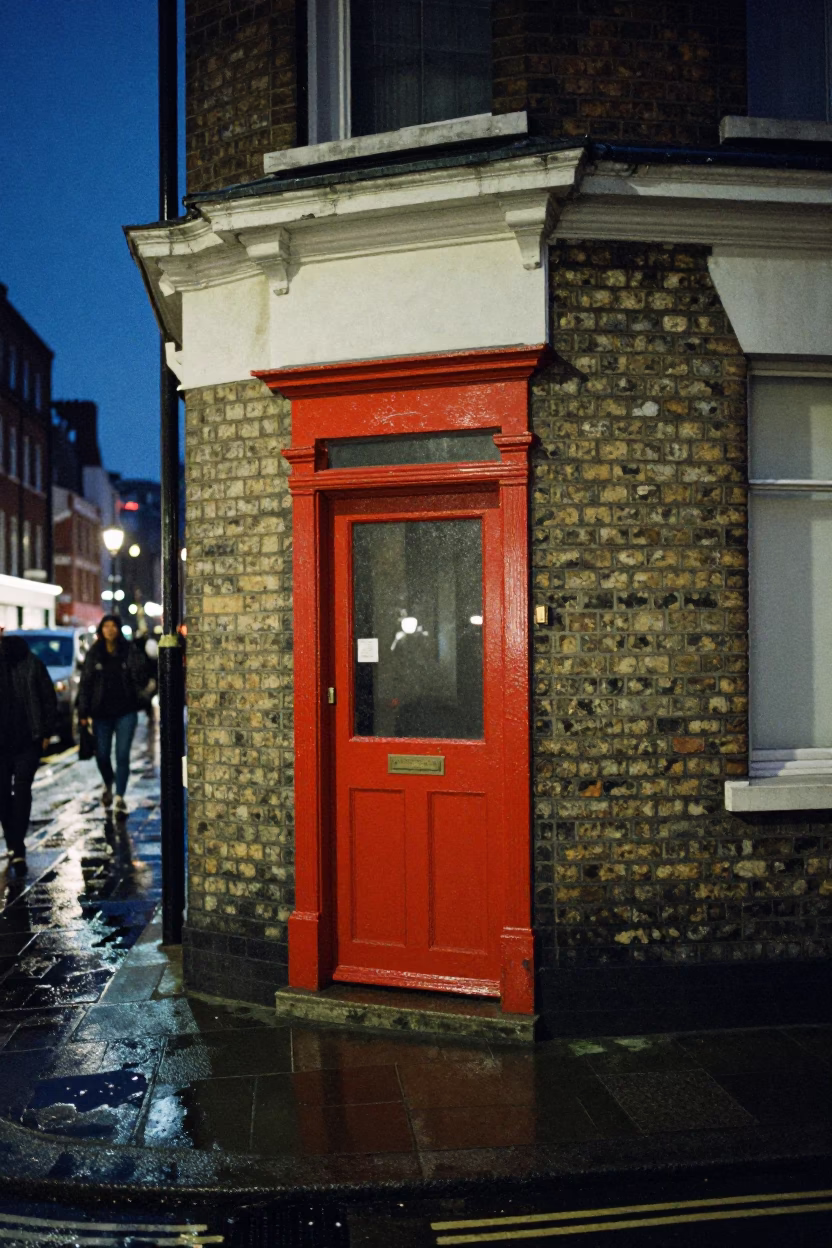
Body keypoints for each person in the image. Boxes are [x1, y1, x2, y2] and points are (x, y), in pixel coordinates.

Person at [0, 632, 57, 874]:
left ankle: (18, 847)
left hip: (27, 740)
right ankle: (15, 845)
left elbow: (48, 698)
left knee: (22, 789)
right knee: (3, 794)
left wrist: (45, 732)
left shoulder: (32, 664)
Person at [78, 615, 146, 817]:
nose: (110, 630)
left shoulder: (128, 651)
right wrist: (83, 711)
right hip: (101, 713)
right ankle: (109, 782)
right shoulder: (94, 653)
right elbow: (85, 683)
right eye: (106, 626)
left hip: (126, 711)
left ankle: (119, 798)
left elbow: (141, 674)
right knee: (102, 755)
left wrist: (142, 694)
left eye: (113, 626)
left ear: (118, 629)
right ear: (101, 630)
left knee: (123, 755)